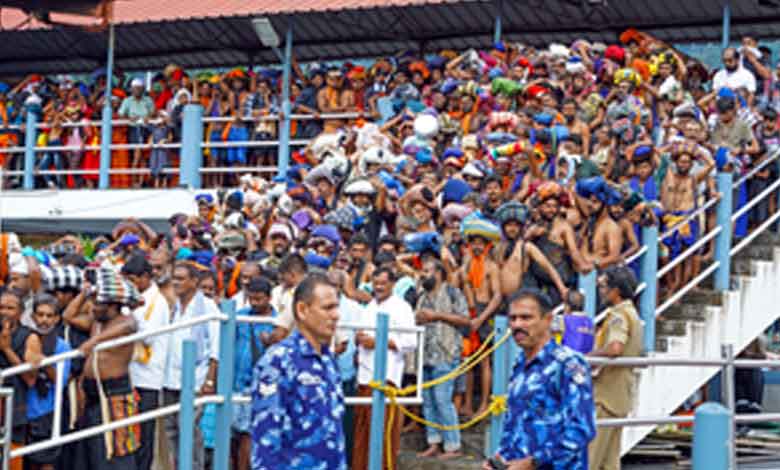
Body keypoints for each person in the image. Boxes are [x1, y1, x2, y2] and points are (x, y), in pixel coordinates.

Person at [483, 288, 595, 470]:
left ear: (548, 320)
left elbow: (581, 429)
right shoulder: (520, 364)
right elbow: (514, 421)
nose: (517, 324)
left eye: (526, 318)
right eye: (513, 318)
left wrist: (533, 462)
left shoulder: (567, 364)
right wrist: (499, 458)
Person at [250, 273, 345, 469]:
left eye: (336, 307)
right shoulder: (278, 361)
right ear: (302, 310)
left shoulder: (328, 361)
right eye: (328, 308)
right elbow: (266, 439)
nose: (336, 315)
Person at [352, 267, 417, 470]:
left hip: (386, 377)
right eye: (375, 283)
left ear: (392, 284)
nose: (378, 287)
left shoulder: (402, 307)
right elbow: (362, 336)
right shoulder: (369, 306)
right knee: (362, 433)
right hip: (363, 376)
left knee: (383, 433)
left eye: (383, 283)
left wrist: (379, 341)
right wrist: (359, 340)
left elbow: (410, 341)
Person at [77, 268, 141, 470]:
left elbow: (129, 326)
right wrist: (84, 293)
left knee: (116, 451)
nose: (92, 307)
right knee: (94, 453)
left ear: (112, 305)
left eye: (98, 303)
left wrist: (94, 341)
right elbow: (68, 316)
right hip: (92, 393)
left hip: (114, 394)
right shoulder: (97, 322)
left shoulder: (125, 321)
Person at [163, 261, 221, 470]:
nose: (176, 283)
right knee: (171, 430)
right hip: (170, 379)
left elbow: (216, 347)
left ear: (194, 282)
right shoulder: (173, 306)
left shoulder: (207, 306)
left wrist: (210, 380)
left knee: (188, 427)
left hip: (195, 379)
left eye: (180, 279)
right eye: (174, 278)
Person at [415, 259, 470, 460]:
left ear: (439, 273)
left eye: (427, 271)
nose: (423, 274)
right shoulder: (420, 295)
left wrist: (436, 315)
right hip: (425, 355)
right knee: (428, 402)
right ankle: (434, 443)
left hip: (446, 354)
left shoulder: (453, 293)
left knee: (443, 401)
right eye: (422, 271)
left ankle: (453, 446)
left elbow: (466, 320)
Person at [589, 265, 643, 470]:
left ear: (616, 290)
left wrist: (586, 357)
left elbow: (615, 348)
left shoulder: (619, 316)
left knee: (592, 456)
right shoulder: (632, 313)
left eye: (604, 286)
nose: (601, 291)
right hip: (620, 393)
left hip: (607, 395)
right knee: (610, 460)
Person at [120, 255, 170, 470]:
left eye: (132, 279)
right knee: (128, 434)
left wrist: (133, 311)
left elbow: (149, 336)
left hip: (147, 378)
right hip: (128, 373)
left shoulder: (157, 302)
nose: (129, 284)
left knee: (144, 437)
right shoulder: (132, 298)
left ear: (146, 277)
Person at [233, 277, 277, 470]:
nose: (254, 303)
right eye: (251, 299)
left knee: (248, 435)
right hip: (236, 383)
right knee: (234, 436)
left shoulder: (278, 322)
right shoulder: (240, 316)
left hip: (261, 386)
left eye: (259, 299)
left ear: (269, 298)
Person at [26, 294, 71, 470]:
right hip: (24, 410)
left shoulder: (62, 346)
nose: (44, 320)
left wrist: (43, 361)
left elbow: (61, 382)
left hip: (47, 411)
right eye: (40, 314)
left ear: (57, 318)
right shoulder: (25, 339)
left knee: (46, 462)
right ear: (33, 317)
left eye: (49, 315)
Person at [0, 290, 43, 470]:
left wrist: (7, 350)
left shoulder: (30, 337)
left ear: (20, 312)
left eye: (10, 308)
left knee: (12, 461)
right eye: (1, 307)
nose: (3, 312)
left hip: (13, 409)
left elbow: (31, 379)